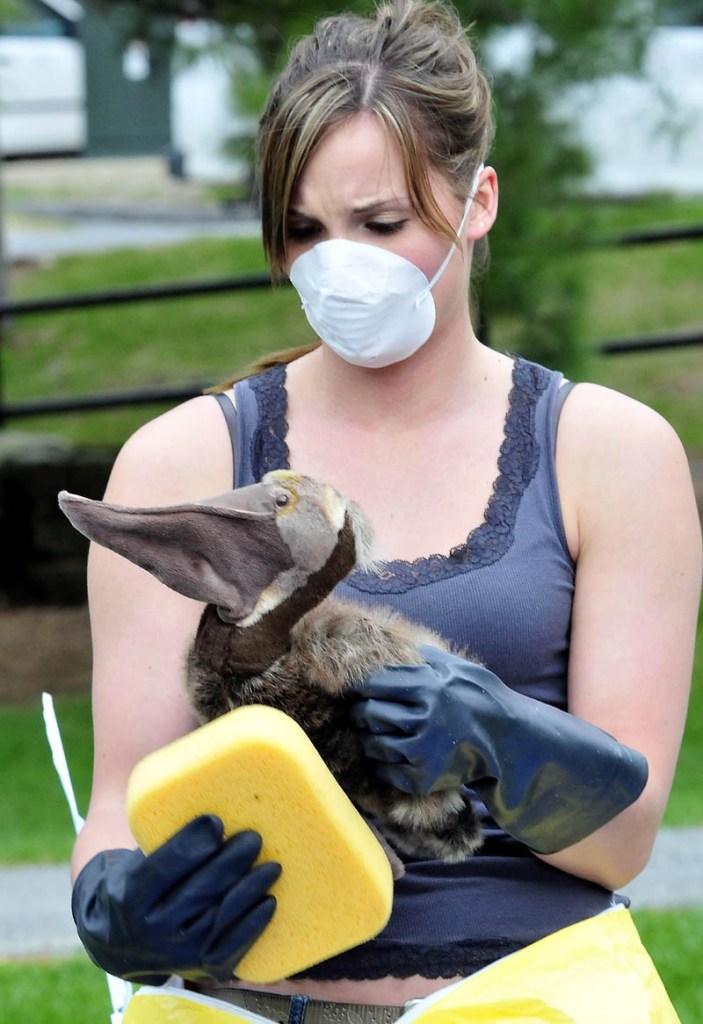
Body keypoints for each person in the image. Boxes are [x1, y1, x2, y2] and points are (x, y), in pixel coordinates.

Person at [70, 0, 702, 1018]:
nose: (338, 265)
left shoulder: (608, 454)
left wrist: (503, 735)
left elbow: (622, 837)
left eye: (380, 224)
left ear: (477, 202)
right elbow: (121, 803)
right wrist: (113, 901)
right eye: (306, 230)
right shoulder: (181, 461)